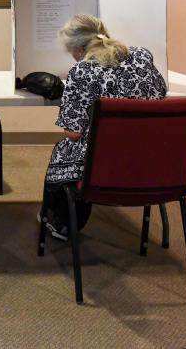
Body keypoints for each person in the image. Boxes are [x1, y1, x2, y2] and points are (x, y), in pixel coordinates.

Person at [41, 14, 166, 241]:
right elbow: (160, 94)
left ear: (79, 49)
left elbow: (74, 132)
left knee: (64, 150)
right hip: (150, 157)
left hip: (103, 163)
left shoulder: (82, 72)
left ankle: (64, 223)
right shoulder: (141, 55)